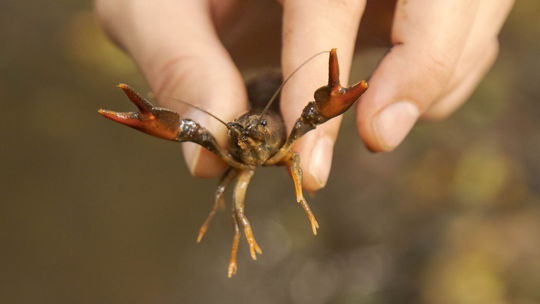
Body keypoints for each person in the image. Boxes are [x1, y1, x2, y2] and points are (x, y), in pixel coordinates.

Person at [95, 0, 514, 191]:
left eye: (252, 130)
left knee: (299, 150)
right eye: (244, 132)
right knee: (227, 178)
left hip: (283, 132)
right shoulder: (235, 142)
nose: (247, 134)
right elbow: (204, 139)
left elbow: (300, 139)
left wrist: (299, 189)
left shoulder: (287, 140)